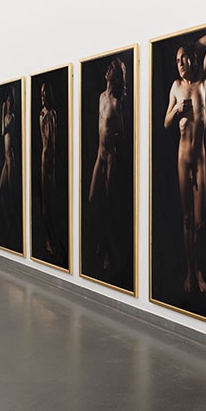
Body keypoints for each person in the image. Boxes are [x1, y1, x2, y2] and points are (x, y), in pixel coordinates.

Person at [163, 29, 206, 293]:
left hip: (200, 159)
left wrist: (191, 47)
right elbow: (165, 123)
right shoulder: (176, 87)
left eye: (183, 59)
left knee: (199, 222)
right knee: (186, 219)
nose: (181, 64)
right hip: (183, 158)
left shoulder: (201, 81)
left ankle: (198, 268)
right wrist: (176, 110)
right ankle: (189, 271)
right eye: (177, 61)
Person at [88, 57, 127, 271]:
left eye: (112, 68)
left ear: (117, 76)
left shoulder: (115, 104)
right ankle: (100, 243)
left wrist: (114, 137)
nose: (108, 68)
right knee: (93, 199)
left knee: (109, 205)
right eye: (109, 66)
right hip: (99, 155)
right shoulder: (101, 97)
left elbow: (121, 131)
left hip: (110, 157)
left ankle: (107, 251)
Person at [39, 82, 58, 255]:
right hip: (45, 161)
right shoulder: (44, 115)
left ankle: (51, 237)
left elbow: (54, 142)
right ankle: (47, 239)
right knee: (47, 201)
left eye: (45, 93)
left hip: (51, 162)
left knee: (52, 201)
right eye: (41, 94)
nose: (43, 97)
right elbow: (47, 141)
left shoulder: (52, 114)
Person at [0, 88, 16, 227]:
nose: (8, 103)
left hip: (11, 158)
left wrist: (4, 110)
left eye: (10, 101)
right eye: (7, 101)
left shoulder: (11, 117)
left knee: (10, 192)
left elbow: (4, 130)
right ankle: (7, 219)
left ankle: (11, 220)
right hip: (6, 159)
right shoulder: (6, 116)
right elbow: (2, 131)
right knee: (0, 191)